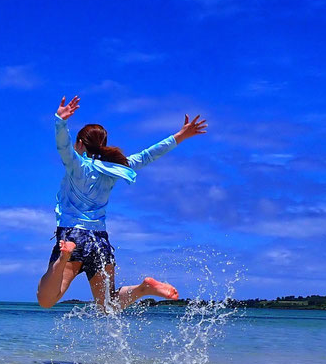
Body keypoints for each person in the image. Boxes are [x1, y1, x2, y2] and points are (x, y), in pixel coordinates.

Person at [37, 94, 207, 311]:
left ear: (80, 144)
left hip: (73, 234)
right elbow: (147, 155)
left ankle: (64, 257)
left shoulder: (77, 165)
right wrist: (180, 136)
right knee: (107, 305)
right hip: (99, 241)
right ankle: (143, 289)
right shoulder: (117, 168)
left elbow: (63, 147)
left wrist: (60, 121)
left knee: (46, 300)